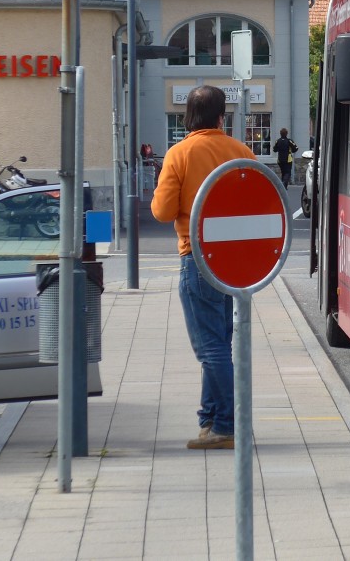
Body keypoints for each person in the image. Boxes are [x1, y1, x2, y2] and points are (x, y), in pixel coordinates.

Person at [151, 85, 256, 450]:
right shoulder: (240, 152)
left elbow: (163, 212)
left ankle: (229, 425)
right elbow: (257, 202)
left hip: (195, 259)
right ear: (220, 117)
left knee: (209, 348)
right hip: (231, 264)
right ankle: (211, 419)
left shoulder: (179, 154)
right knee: (219, 342)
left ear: (187, 118)